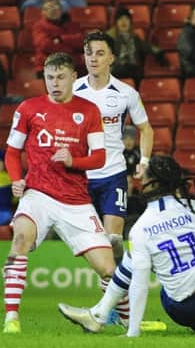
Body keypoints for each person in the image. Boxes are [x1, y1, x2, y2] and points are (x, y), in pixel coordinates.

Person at [57, 155, 195, 337]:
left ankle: (99, 314)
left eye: (144, 174)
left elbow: (140, 284)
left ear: (153, 183)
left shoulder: (140, 228)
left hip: (178, 307)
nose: (139, 178)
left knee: (135, 260)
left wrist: (133, 333)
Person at [2, 52, 114, 334]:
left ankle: (122, 317)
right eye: (50, 77)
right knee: (20, 237)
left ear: (73, 78)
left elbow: (100, 157)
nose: (54, 83)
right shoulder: (28, 108)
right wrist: (17, 180)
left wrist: (73, 161)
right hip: (38, 193)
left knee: (109, 270)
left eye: (61, 77)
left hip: (76, 200)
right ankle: (11, 317)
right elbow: (13, 152)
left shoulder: (89, 111)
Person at [72, 31, 153, 323]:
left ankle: (111, 309)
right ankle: (117, 306)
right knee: (97, 248)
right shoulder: (73, 88)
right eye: (89, 52)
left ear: (111, 58)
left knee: (114, 240)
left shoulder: (126, 93)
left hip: (113, 175)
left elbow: (146, 128)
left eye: (99, 53)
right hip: (79, 177)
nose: (93, 58)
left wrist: (143, 161)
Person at [106, 7, 164, 81]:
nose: (124, 22)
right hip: (116, 70)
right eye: (120, 19)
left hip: (133, 70)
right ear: (116, 22)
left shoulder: (134, 37)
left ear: (130, 22)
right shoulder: (110, 37)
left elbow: (146, 46)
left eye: (126, 19)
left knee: (137, 71)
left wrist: (158, 52)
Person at [31, 0, 84, 76]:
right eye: (48, 8)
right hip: (48, 66)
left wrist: (61, 39)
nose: (52, 9)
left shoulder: (73, 25)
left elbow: (81, 41)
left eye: (55, 6)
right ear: (43, 12)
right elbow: (45, 45)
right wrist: (69, 49)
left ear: (61, 9)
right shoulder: (39, 26)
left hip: (74, 66)